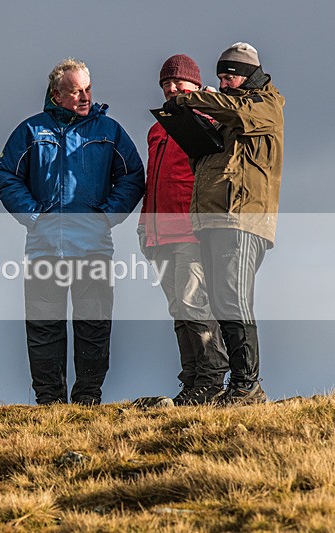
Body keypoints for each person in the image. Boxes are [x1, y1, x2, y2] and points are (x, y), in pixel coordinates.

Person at [0, 58, 144, 406]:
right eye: (76, 91)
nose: (84, 97)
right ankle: (49, 402)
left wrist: (107, 216)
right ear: (56, 94)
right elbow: (6, 176)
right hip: (44, 247)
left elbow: (133, 176)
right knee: (44, 329)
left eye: (88, 89)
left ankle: (88, 398)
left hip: (94, 247)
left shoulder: (109, 131)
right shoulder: (31, 131)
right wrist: (34, 217)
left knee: (93, 328)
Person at [164, 42, 284, 405]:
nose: (224, 82)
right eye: (220, 76)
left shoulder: (266, 104)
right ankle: (240, 386)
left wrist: (191, 100)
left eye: (229, 75)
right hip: (214, 217)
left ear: (246, 74)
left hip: (244, 217)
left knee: (233, 298)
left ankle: (247, 386)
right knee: (219, 301)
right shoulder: (230, 111)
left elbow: (236, 110)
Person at [138, 54, 229, 405]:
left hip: (191, 230)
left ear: (195, 83)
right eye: (166, 83)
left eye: (179, 82)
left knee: (195, 303)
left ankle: (210, 379)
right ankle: (191, 381)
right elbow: (154, 180)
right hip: (158, 232)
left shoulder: (209, 118)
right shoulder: (158, 127)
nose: (172, 88)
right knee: (179, 307)